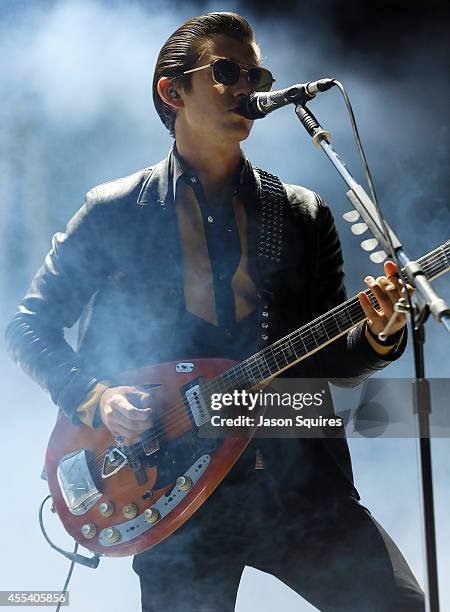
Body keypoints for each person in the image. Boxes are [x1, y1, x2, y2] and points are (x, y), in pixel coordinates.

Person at [6, 12, 424, 612]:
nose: (247, 87)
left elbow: (331, 355)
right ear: (172, 93)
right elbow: (28, 327)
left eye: (257, 75)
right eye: (226, 71)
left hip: (297, 479)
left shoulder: (303, 213)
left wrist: (381, 334)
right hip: (172, 495)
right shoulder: (116, 211)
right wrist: (96, 398)